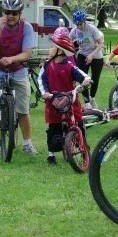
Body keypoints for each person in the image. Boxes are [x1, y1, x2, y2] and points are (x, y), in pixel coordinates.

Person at [0, 0, 39, 157]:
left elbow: (27, 53)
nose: (11, 16)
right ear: (3, 12)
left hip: (18, 70)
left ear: (20, 13)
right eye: (7, 12)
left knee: (23, 109)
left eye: (15, 13)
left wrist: (11, 59)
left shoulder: (26, 27)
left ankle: (28, 143)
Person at [39, 30, 91, 165]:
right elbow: (41, 80)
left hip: (70, 100)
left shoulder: (69, 66)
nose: (49, 49)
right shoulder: (47, 65)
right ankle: (51, 154)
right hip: (53, 101)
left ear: (60, 51)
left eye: (52, 47)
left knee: (78, 122)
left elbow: (82, 75)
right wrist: (45, 92)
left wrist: (86, 80)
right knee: (53, 128)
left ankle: (82, 146)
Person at [69, 9, 104, 108]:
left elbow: (101, 43)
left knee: (95, 79)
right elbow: (68, 41)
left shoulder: (92, 29)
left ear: (84, 21)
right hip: (82, 54)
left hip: (96, 55)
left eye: (80, 24)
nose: (79, 26)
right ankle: (87, 102)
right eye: (77, 24)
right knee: (82, 78)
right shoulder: (74, 31)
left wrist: (92, 55)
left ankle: (92, 98)